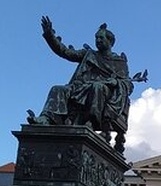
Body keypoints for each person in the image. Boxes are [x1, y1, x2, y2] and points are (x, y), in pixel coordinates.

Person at [26, 16, 146, 149]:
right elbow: (65, 52)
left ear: (110, 42)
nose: (98, 40)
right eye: (96, 38)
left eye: (101, 38)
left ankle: (90, 121)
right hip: (81, 87)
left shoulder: (119, 62)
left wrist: (115, 82)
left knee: (97, 87)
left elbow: (127, 84)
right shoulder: (89, 54)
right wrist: (49, 35)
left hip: (104, 91)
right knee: (57, 89)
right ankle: (46, 118)